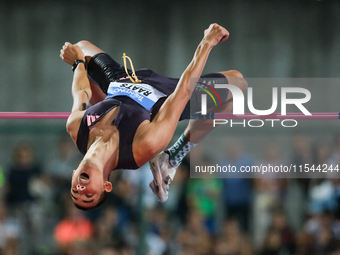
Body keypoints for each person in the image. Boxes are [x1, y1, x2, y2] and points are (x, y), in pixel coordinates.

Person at [60, 23, 247, 210]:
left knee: (80, 47)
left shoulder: (76, 128)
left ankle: (168, 157)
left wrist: (78, 63)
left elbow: (81, 91)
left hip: (120, 83)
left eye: (75, 191)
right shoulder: (141, 146)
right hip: (164, 97)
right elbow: (182, 92)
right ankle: (175, 154)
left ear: (73, 175)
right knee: (238, 83)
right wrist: (207, 42)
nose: (81, 188)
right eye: (88, 195)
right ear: (106, 185)